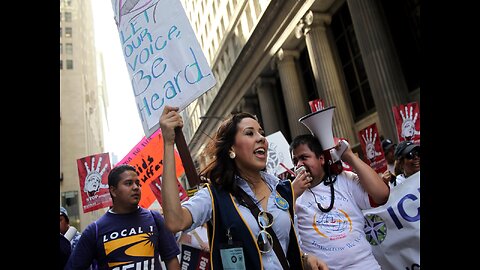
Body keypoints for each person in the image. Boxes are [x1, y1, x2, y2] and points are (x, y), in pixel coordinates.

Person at [159, 105, 328, 270]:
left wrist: (305, 259)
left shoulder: (282, 189)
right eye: (249, 133)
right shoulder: (214, 196)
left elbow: (290, 245)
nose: (261, 138)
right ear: (231, 148)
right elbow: (175, 221)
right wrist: (168, 144)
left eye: (261, 132)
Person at [290, 134, 389, 270]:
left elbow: (381, 195)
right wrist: (292, 194)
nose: (299, 165)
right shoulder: (292, 196)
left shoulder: (345, 180)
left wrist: (348, 156)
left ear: (321, 159)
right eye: (295, 161)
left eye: (304, 158)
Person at [65, 164, 181, 270]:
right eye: (128, 183)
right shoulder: (94, 230)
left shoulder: (155, 219)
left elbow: (171, 260)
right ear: (113, 191)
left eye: (138, 183)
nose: (136, 187)